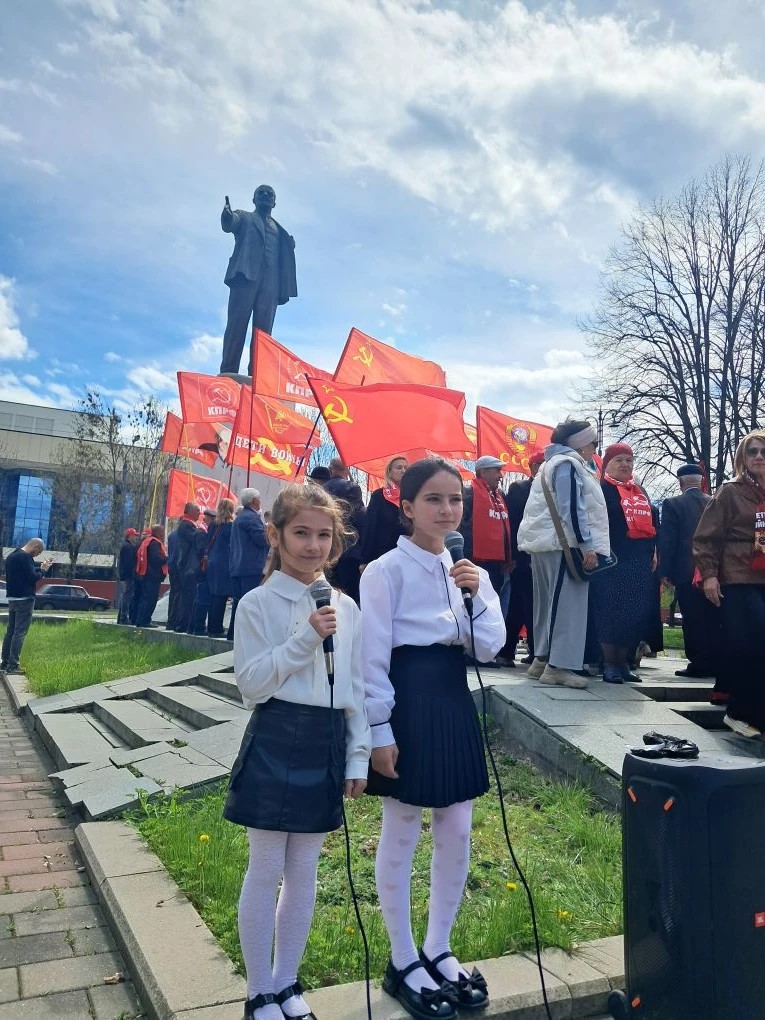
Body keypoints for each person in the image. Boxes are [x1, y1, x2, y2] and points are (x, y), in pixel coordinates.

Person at [360, 457, 505, 1020]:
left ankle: (438, 946)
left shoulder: (470, 572)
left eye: (455, 500)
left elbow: (488, 645)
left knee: (458, 826)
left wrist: (474, 594)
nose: (447, 510)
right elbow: (372, 656)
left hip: (451, 695)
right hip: (408, 697)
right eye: (434, 499)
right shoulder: (384, 571)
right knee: (401, 827)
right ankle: (401, 959)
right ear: (407, 507)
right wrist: (379, 728)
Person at [223, 483, 370, 1020]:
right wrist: (307, 638)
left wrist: (358, 755)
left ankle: (287, 982)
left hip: (325, 738)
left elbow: (355, 687)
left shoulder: (346, 606)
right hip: (277, 733)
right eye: (301, 533)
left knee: (305, 868)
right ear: (275, 535)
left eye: (323, 535)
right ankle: (258, 990)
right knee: (266, 866)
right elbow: (252, 685)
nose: (313, 545)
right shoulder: (257, 604)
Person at [517, 420, 610, 688]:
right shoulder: (568, 464)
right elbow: (572, 509)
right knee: (568, 607)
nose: (595, 448)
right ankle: (558, 667)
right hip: (563, 545)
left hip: (546, 543)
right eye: (593, 443)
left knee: (547, 604)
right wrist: (586, 545)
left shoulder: (550, 464)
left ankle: (542, 660)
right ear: (580, 444)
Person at [693, 430, 765, 737]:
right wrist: (710, 574)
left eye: (764, 451)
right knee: (751, 641)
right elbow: (705, 537)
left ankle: (755, 713)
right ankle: (739, 712)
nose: (759, 457)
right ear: (742, 459)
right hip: (737, 576)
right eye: (752, 452)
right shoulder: (729, 492)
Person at [590, 443, 658, 684]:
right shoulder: (601, 490)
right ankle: (609, 664)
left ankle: (623, 663)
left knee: (634, 614)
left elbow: (652, 523)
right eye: (619, 460)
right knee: (611, 613)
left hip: (640, 561)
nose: (625, 465)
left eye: (629, 460)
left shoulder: (639, 491)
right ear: (607, 464)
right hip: (612, 562)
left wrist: (654, 551)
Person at [219, 185, 298, 376]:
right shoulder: (245, 217)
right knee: (236, 325)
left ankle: (257, 375)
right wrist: (227, 215)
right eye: (260, 193)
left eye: (270, 194)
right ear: (253, 199)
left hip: (271, 283)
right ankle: (228, 371)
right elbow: (231, 223)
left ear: (274, 203)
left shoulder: (280, 231)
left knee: (263, 333)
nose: (265, 195)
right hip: (245, 277)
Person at [660, 464, 718, 679]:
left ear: (681, 482)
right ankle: (715, 662)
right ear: (701, 481)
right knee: (713, 618)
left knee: (693, 619)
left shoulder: (673, 504)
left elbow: (668, 540)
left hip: (685, 571)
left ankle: (698, 663)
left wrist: (665, 571)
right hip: (714, 571)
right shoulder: (714, 501)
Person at [497, 450, 544, 666]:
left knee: (538, 607)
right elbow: (513, 524)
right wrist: (513, 555)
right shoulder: (519, 489)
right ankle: (507, 651)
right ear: (533, 467)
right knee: (519, 604)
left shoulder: (553, 489)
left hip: (544, 556)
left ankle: (536, 651)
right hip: (522, 557)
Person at [459, 455, 512, 598]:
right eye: (497, 470)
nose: (501, 476)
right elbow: (460, 527)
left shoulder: (500, 496)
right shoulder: (467, 493)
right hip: (475, 562)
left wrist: (509, 556)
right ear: (483, 471)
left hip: (498, 564)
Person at [1, 539, 52, 675]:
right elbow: (32, 577)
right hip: (25, 599)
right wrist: (43, 571)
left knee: (10, 631)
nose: (37, 554)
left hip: (13, 599)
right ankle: (13, 666)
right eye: (39, 551)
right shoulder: (26, 558)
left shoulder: (12, 556)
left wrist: (39, 568)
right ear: (35, 546)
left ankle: (5, 663)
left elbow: (24, 573)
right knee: (20, 632)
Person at [229, 488, 269, 636]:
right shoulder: (252, 518)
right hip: (251, 567)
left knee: (239, 603)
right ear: (254, 501)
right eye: (259, 499)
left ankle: (233, 634)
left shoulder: (240, 517)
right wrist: (271, 533)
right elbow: (261, 539)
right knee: (249, 603)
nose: (260, 502)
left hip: (238, 566)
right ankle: (245, 635)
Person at [358, 456, 409, 569]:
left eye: (406, 468)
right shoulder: (379, 496)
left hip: (407, 555)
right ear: (389, 472)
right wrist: (365, 559)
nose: (403, 471)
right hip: (382, 556)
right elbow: (370, 527)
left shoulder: (412, 496)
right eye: (399, 467)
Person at [206, 498, 235, 638]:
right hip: (224, 564)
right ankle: (216, 628)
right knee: (221, 596)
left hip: (212, 562)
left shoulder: (213, 525)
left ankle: (211, 626)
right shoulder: (230, 526)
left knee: (213, 595)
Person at [172, 503, 201, 633]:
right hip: (187, 566)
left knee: (189, 596)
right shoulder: (186, 525)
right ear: (189, 511)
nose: (199, 513)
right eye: (197, 510)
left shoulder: (189, 525)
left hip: (187, 565)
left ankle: (184, 624)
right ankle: (183, 624)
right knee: (188, 596)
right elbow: (196, 538)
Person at [188, 508, 217, 635]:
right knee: (203, 599)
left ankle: (192, 627)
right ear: (209, 518)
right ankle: (198, 627)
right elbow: (201, 551)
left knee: (198, 599)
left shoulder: (200, 530)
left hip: (198, 568)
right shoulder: (202, 532)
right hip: (202, 569)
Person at [134, 526, 168, 627]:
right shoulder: (155, 543)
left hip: (145, 574)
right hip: (153, 575)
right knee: (150, 599)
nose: (163, 534)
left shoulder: (147, 541)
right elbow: (155, 559)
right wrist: (167, 558)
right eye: (162, 532)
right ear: (158, 533)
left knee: (144, 598)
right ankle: (145, 620)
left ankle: (140, 620)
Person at [117, 528, 139, 625]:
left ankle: (121, 618)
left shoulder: (126, 546)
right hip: (129, 576)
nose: (135, 537)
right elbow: (129, 563)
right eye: (134, 535)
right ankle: (123, 617)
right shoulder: (128, 547)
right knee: (127, 596)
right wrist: (133, 574)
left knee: (125, 595)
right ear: (129, 536)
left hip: (126, 575)